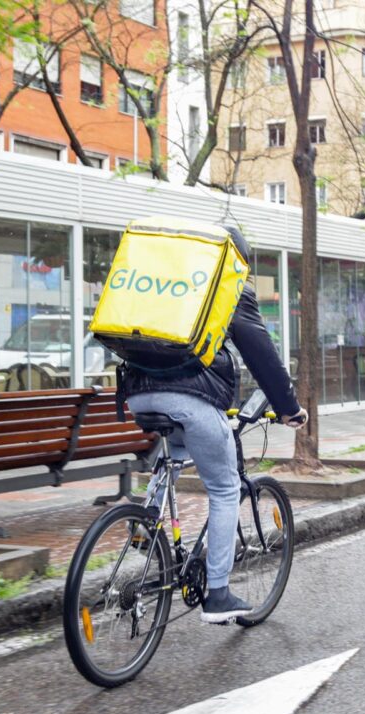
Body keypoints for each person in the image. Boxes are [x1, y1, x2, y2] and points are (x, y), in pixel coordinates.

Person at [121, 225, 307, 624]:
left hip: (139, 394)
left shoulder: (173, 282)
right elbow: (261, 354)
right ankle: (218, 595)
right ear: (237, 260)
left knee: (182, 448)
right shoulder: (229, 285)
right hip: (190, 399)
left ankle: (145, 521)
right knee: (226, 487)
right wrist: (288, 407)